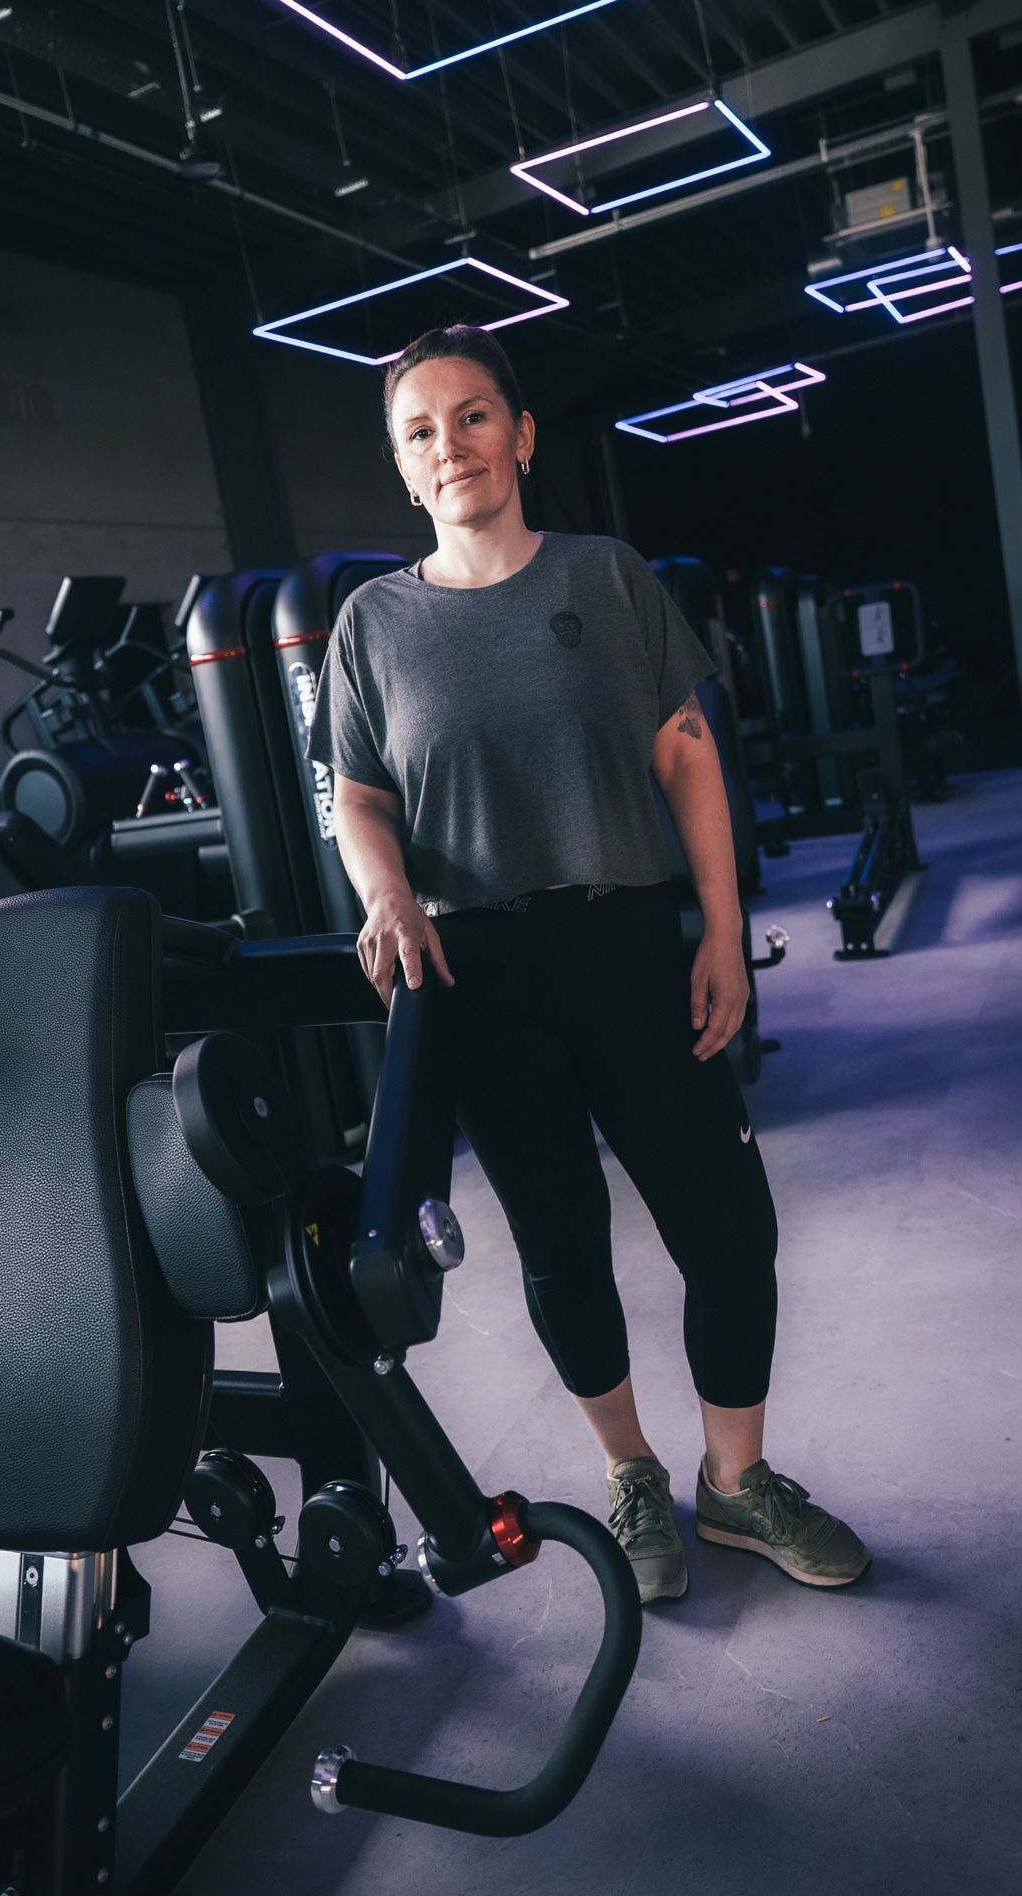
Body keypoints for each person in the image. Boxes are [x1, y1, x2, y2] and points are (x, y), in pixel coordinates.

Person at [305, 323, 869, 1604]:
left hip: (627, 940)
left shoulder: (609, 578)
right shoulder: (370, 624)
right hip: (480, 971)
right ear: (402, 469)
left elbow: (686, 758)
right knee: (561, 1245)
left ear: (522, 433)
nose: (450, 445)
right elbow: (359, 797)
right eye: (420, 430)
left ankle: (735, 1483)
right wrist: (387, 891)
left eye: (473, 416)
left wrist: (722, 929)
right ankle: (630, 1472)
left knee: (728, 1230)